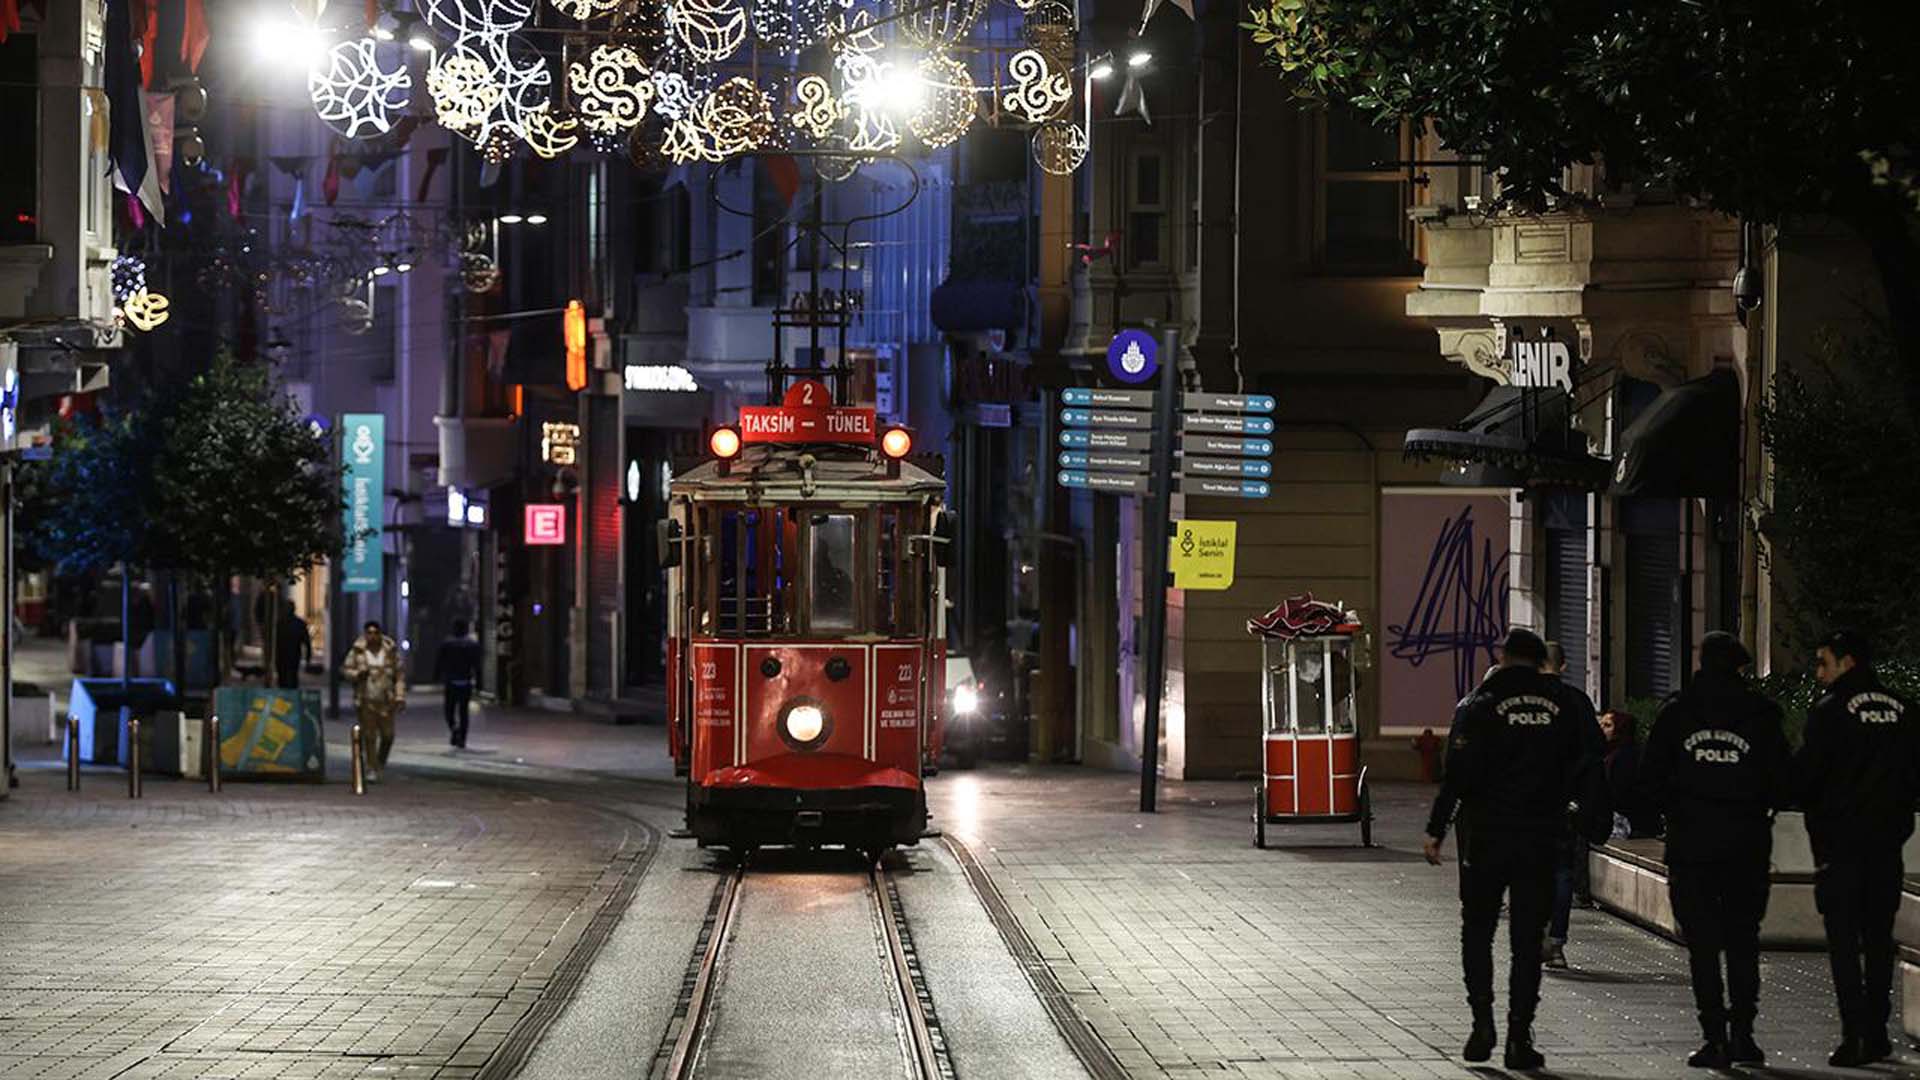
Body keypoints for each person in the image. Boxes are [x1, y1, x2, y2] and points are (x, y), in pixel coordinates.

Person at [1423, 628, 1588, 1071]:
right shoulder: (1565, 706)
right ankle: (1519, 1035)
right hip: (1539, 837)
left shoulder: (1479, 705)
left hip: (1487, 836)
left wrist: (1437, 828)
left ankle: (1481, 1024)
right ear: (1539, 662)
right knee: (1527, 941)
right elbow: (1583, 763)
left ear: (1503, 656)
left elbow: (1455, 772)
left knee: (1477, 930)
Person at [1640, 631, 1790, 1068]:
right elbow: (1785, 781)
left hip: (1692, 846)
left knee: (1703, 946)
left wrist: (1680, 802)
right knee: (1744, 941)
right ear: (1740, 666)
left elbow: (1650, 781)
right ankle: (1744, 1035)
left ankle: (1715, 1037)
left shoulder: (1677, 712)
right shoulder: (1762, 715)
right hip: (1746, 844)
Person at [1796, 629, 1920, 1068]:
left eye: (1823, 662)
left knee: (1845, 942)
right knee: (1879, 939)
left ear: (1847, 662)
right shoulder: (1904, 710)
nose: (1818, 672)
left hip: (1840, 846)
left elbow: (1807, 777)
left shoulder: (1829, 712)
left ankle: (1855, 1034)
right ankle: (1878, 1030)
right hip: (1886, 844)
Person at [1539, 641, 1606, 971]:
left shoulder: (1520, 702)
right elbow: (1595, 751)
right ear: (1563, 666)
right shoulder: (1577, 702)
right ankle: (1556, 942)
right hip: (1566, 802)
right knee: (1562, 870)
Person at [342, 620, 406, 781]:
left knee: (388, 735)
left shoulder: (390, 651)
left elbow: (399, 675)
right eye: (368, 633)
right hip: (366, 698)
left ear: (380, 634)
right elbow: (346, 670)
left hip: (386, 699)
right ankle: (372, 766)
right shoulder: (358, 651)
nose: (372, 636)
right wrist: (357, 674)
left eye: (375, 632)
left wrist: (400, 696)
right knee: (369, 736)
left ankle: (380, 761)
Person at [1599, 710, 1659, 838]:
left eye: (1608, 725)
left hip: (1629, 823)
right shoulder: (1607, 753)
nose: (1602, 729)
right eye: (1601, 725)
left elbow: (1620, 792)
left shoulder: (1627, 756)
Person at [433, 619, 483, 749]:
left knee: (449, 710)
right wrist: (479, 683)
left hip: (451, 681)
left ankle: (454, 728)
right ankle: (463, 738)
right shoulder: (473, 645)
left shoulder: (447, 644)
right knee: (463, 711)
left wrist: (436, 676)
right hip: (465, 681)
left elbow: (440, 662)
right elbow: (477, 665)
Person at [274, 606, 312, 690]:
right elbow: (307, 642)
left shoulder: (279, 623)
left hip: (282, 654)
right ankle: (292, 694)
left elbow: (274, 641)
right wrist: (308, 657)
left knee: (282, 677)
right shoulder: (299, 623)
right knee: (292, 676)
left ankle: (284, 694)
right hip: (293, 654)